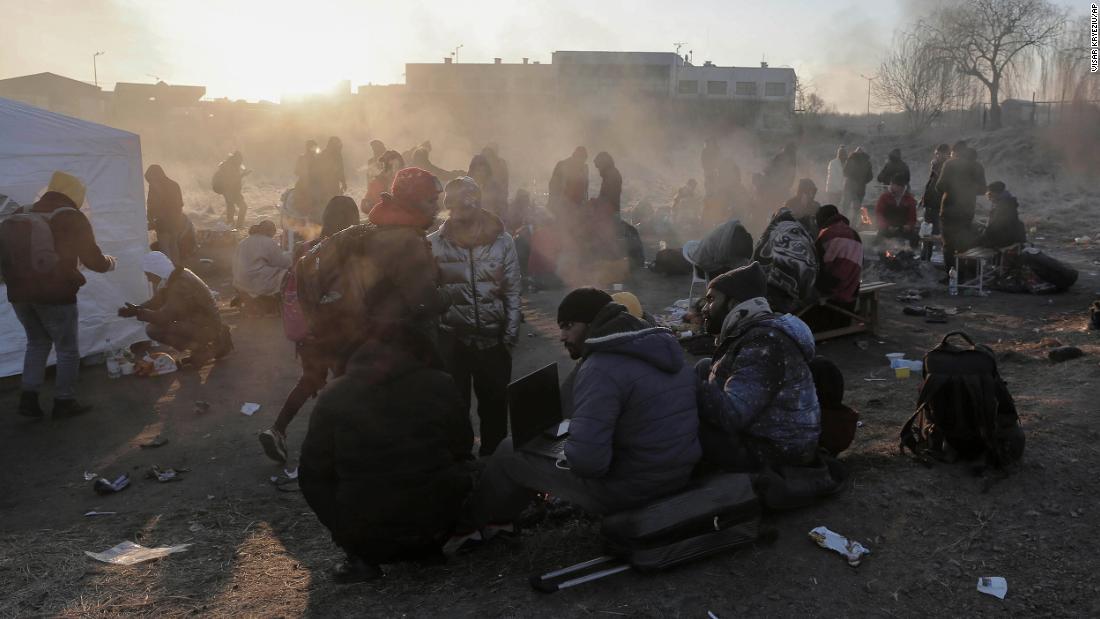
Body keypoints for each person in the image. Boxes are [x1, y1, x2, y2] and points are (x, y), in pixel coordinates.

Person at [456, 289, 700, 538]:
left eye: (568, 326)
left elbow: (589, 463)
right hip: (678, 475)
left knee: (510, 452)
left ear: (592, 324)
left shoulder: (602, 368)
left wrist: (568, 447)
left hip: (633, 490)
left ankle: (473, 526)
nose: (562, 335)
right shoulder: (662, 347)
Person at [299, 327, 477, 583]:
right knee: (468, 465)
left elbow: (310, 474)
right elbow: (462, 445)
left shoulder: (335, 395)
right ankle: (426, 548)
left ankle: (362, 557)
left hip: (365, 533)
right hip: (436, 526)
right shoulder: (440, 382)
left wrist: (343, 530)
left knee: (324, 476)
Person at [2, 172, 116, 418]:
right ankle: (64, 401)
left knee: (37, 342)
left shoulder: (21, 211)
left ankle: (29, 399)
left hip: (18, 294)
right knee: (66, 349)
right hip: (54, 294)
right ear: (74, 193)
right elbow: (93, 261)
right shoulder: (70, 217)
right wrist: (110, 263)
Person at [259, 197, 360, 464]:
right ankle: (339, 446)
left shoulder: (307, 249)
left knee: (310, 380)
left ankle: (277, 429)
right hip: (338, 334)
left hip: (307, 333)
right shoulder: (348, 251)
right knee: (346, 385)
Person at [695, 262, 821, 471]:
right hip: (773, 437)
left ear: (733, 303)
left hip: (777, 451)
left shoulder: (763, 342)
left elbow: (732, 415)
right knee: (704, 367)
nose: (704, 308)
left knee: (684, 430)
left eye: (711, 299)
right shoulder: (757, 331)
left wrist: (689, 385)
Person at [429, 177, 521, 456]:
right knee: (455, 409)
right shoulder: (434, 244)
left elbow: (513, 288)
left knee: (494, 406)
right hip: (452, 341)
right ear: (449, 208)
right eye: (456, 208)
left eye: (468, 207)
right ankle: (461, 465)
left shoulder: (503, 242)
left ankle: (493, 463)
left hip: (493, 340)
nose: (462, 214)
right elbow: (429, 293)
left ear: (479, 206)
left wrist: (510, 333)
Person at [118, 251, 232, 366]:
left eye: (149, 275)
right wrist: (138, 308)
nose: (148, 279)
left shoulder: (179, 285)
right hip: (204, 322)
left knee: (154, 330)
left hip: (207, 326)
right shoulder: (176, 276)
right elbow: (158, 300)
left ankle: (207, 349)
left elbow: (164, 317)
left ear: (156, 271)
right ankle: (203, 348)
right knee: (158, 327)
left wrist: (138, 312)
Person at [804, 205, 863, 332]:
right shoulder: (855, 234)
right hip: (851, 292)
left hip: (833, 292)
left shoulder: (827, 233)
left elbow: (815, 264)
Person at [752, 208, 819, 314]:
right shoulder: (804, 235)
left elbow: (756, 259)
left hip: (767, 293)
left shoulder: (771, 233)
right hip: (795, 297)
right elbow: (813, 263)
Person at [936, 144, 987, 269]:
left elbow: (939, 187)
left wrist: (953, 189)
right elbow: (982, 189)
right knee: (963, 240)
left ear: (956, 152)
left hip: (949, 209)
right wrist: (969, 191)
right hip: (967, 209)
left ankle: (951, 274)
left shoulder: (950, 164)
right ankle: (964, 272)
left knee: (948, 244)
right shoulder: (978, 166)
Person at [232, 220, 291, 311]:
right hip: (257, 280)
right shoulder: (268, 242)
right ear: (270, 231)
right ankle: (271, 300)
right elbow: (281, 262)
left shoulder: (243, 242)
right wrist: (291, 257)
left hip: (240, 281)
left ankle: (248, 297)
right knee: (286, 275)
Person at [145, 164, 185, 265]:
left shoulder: (155, 187)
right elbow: (180, 204)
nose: (150, 182)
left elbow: (152, 205)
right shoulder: (174, 184)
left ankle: (169, 273)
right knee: (173, 246)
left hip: (163, 222)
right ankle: (177, 271)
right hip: (176, 221)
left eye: (150, 179)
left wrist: (150, 219)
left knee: (165, 248)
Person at [919, 144, 951, 260]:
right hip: (929, 204)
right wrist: (923, 198)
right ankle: (925, 258)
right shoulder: (936, 166)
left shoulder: (947, 166)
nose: (936, 156)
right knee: (926, 233)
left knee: (937, 234)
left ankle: (946, 259)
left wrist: (935, 168)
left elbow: (941, 185)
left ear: (946, 153)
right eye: (936, 153)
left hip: (939, 205)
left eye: (938, 154)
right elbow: (930, 184)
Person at [977, 181, 1027, 249]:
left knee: (973, 241)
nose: (988, 195)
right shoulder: (1007, 201)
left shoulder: (1002, 205)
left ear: (995, 193)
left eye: (989, 193)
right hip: (1010, 236)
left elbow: (995, 227)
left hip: (1004, 240)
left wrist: (983, 233)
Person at [874, 174, 918, 247]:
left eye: (901, 187)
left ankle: (910, 254)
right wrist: (886, 226)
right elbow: (879, 214)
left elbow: (912, 217)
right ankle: (879, 253)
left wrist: (909, 226)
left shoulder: (909, 199)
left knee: (915, 238)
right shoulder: (884, 197)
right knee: (877, 240)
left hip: (902, 228)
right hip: (887, 228)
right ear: (892, 185)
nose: (899, 189)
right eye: (896, 186)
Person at [548, 147, 589, 217]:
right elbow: (552, 186)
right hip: (561, 204)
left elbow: (585, 190)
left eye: (583, 161)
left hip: (577, 205)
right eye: (580, 161)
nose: (581, 164)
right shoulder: (562, 165)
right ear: (574, 157)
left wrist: (584, 205)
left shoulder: (584, 168)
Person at [312, 137, 347, 216]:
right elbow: (317, 169)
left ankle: (331, 216)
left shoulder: (337, 155)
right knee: (327, 201)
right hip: (325, 183)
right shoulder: (324, 154)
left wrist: (343, 182)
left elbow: (340, 170)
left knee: (333, 200)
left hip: (333, 183)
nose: (338, 147)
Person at [214, 151, 249, 229]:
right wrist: (243, 175)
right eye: (240, 159)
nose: (241, 161)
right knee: (240, 207)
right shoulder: (229, 166)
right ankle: (236, 226)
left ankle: (233, 226)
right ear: (236, 158)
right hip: (228, 190)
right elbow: (231, 180)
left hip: (231, 190)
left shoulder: (233, 164)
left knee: (233, 207)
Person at [842, 146, 874, 223]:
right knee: (856, 208)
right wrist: (863, 181)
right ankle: (854, 224)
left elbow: (845, 172)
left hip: (849, 187)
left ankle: (843, 222)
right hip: (861, 188)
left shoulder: (850, 160)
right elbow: (870, 176)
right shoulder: (867, 162)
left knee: (846, 206)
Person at [593, 151, 623, 219]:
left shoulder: (611, 176)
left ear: (603, 164)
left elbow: (609, 197)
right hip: (611, 212)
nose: (598, 169)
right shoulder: (609, 174)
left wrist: (596, 202)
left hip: (610, 214)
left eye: (599, 166)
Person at [482, 144, 510, 214]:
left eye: (489, 156)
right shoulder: (480, 166)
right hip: (485, 201)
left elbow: (504, 183)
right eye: (485, 156)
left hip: (498, 200)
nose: (487, 158)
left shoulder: (501, 164)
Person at [293, 141, 319, 216]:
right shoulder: (303, 158)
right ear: (309, 148)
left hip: (314, 183)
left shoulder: (317, 159)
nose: (314, 150)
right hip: (305, 183)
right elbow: (296, 171)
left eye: (315, 148)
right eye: (313, 147)